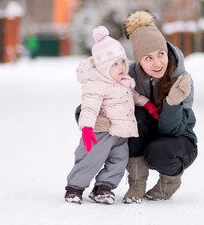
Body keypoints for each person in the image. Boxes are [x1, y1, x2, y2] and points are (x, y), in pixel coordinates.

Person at [65, 26, 159, 205]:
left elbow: (133, 96)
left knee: (119, 162)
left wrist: (146, 104)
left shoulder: (124, 82)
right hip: (101, 133)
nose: (122, 68)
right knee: (91, 160)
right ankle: (74, 188)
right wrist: (86, 128)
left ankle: (103, 188)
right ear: (102, 67)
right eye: (114, 64)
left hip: (120, 134)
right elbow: (89, 107)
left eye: (122, 62)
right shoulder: (96, 84)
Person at [122, 10, 198, 203]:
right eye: (148, 58)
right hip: (144, 138)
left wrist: (172, 103)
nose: (157, 63)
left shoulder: (181, 80)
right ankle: (137, 184)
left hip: (177, 142)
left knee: (160, 150)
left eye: (161, 54)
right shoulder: (129, 76)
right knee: (136, 114)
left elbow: (172, 130)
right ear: (138, 60)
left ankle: (169, 183)